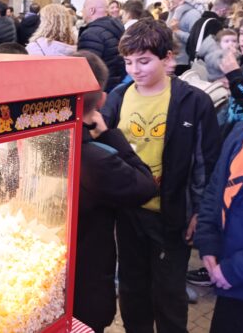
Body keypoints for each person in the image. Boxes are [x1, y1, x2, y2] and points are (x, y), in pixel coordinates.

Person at [101, 19, 220, 333]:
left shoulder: (194, 103)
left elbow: (206, 165)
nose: (135, 70)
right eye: (128, 62)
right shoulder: (118, 96)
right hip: (128, 213)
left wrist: (199, 212)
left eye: (144, 61)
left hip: (171, 214)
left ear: (168, 57)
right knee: (131, 289)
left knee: (168, 293)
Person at [73, 50, 157, 333]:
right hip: (85, 290)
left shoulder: (35, 143)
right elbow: (145, 185)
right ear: (103, 99)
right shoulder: (97, 160)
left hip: (40, 283)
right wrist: (111, 135)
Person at [194, 66, 243, 333]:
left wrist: (232, 271)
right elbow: (215, 189)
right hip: (227, 277)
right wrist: (208, 245)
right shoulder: (241, 134)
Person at [77, 0, 126, 92]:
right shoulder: (116, 27)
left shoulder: (91, 34)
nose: (82, 11)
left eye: (84, 7)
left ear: (92, 10)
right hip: (116, 87)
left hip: (99, 91)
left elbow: (88, 70)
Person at [186, 0, 236, 64]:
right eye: (230, 12)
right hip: (205, 66)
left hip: (193, 63)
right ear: (223, 10)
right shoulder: (214, 24)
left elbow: (188, 46)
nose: (230, 16)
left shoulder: (200, 20)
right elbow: (213, 50)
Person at [167, 0, 202, 74]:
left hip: (184, 63)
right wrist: (171, 13)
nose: (171, 0)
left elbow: (195, 40)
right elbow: (167, 32)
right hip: (173, 60)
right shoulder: (175, 11)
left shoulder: (193, 14)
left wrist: (177, 31)